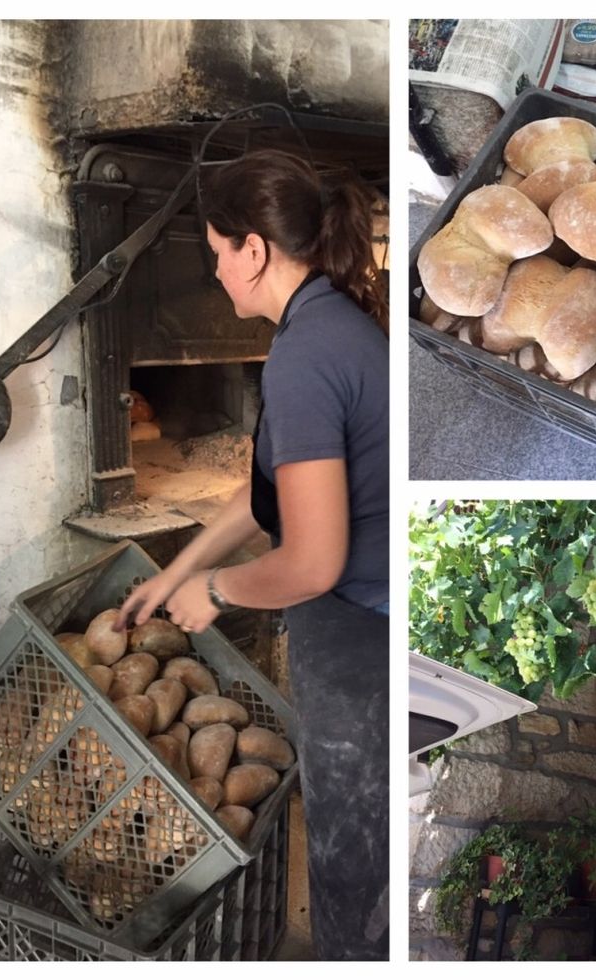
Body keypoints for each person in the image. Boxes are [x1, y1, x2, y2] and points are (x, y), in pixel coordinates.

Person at [114, 149, 389, 960]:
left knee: (352, 860)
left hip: (359, 626)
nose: (216, 274)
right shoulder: (331, 317)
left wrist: (220, 593)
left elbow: (309, 563)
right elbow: (269, 489)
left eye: (216, 255)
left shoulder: (305, 356)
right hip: (365, 611)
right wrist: (175, 571)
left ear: (254, 250)